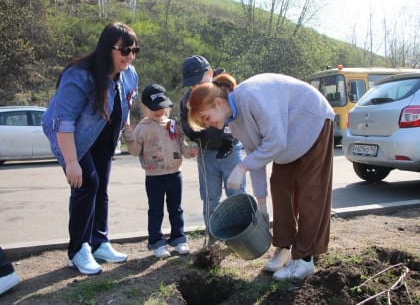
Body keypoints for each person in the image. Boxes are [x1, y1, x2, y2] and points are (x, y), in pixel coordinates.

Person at [187, 73, 334, 281]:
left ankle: (304, 259)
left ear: (218, 103)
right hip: (288, 136)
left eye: (206, 118)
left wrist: (241, 167)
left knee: (310, 193)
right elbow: (257, 158)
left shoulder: (251, 97)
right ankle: (285, 247)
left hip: (312, 120)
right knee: (280, 187)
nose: (208, 124)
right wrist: (262, 205)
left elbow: (275, 142)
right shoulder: (235, 122)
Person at [42, 22, 139, 275]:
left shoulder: (129, 73)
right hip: (73, 138)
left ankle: (99, 242)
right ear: (108, 48)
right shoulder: (80, 75)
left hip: (105, 139)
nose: (130, 56)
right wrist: (71, 162)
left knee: (101, 188)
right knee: (86, 185)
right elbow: (63, 121)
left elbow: (126, 103)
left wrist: (127, 129)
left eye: (134, 50)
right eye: (125, 50)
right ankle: (78, 249)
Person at [123, 84, 198, 258]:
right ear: (144, 107)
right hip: (154, 178)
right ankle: (157, 242)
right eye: (154, 107)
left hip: (175, 175)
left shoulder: (173, 125)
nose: (159, 111)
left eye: (162, 106)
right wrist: (129, 138)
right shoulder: (142, 128)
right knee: (156, 211)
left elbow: (182, 146)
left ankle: (178, 239)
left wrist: (189, 152)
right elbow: (135, 152)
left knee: (176, 209)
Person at [180, 55, 248, 234]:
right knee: (210, 197)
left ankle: (241, 234)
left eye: (199, 82)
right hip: (206, 152)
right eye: (192, 85)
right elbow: (186, 126)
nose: (195, 88)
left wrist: (228, 136)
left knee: (237, 193)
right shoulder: (187, 100)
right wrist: (194, 128)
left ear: (210, 73)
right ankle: (213, 235)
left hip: (232, 150)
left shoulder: (226, 89)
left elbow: (235, 113)